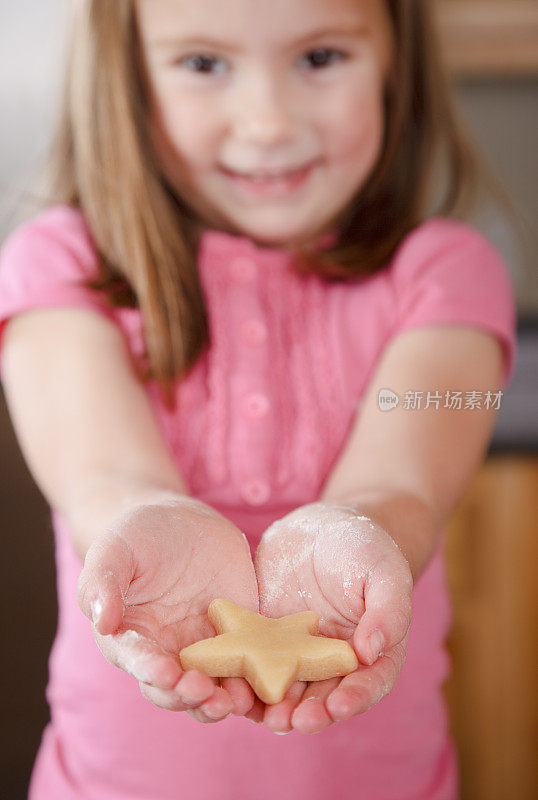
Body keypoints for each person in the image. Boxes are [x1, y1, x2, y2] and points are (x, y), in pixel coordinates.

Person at [0, 0, 518, 798]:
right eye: (204, 64)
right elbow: (101, 475)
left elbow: (402, 483)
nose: (269, 120)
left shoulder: (446, 274)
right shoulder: (58, 264)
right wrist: (144, 518)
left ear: (394, 60)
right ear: (129, 74)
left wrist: (361, 531)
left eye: (319, 58)